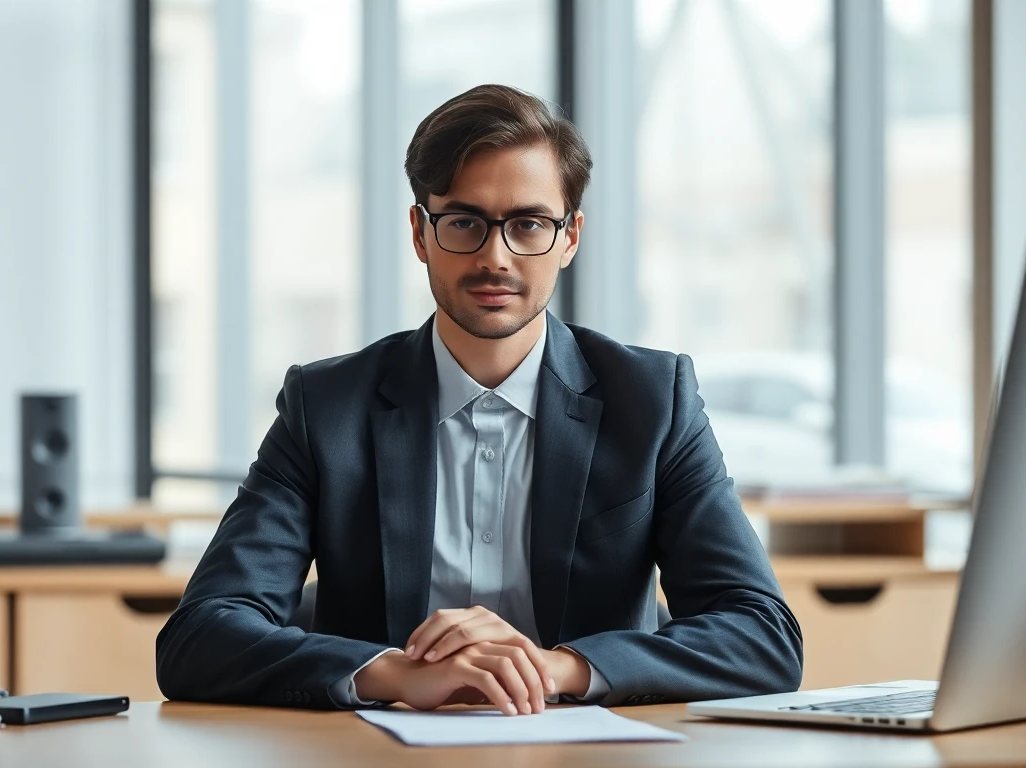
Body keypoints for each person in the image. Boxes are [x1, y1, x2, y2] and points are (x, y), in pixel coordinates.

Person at [156, 84, 802, 715]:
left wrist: (558, 667)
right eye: (464, 222)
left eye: (528, 224)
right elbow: (198, 636)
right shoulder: (325, 407)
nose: (496, 257)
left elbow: (763, 636)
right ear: (420, 232)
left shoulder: (653, 402)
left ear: (570, 236)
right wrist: (392, 674)